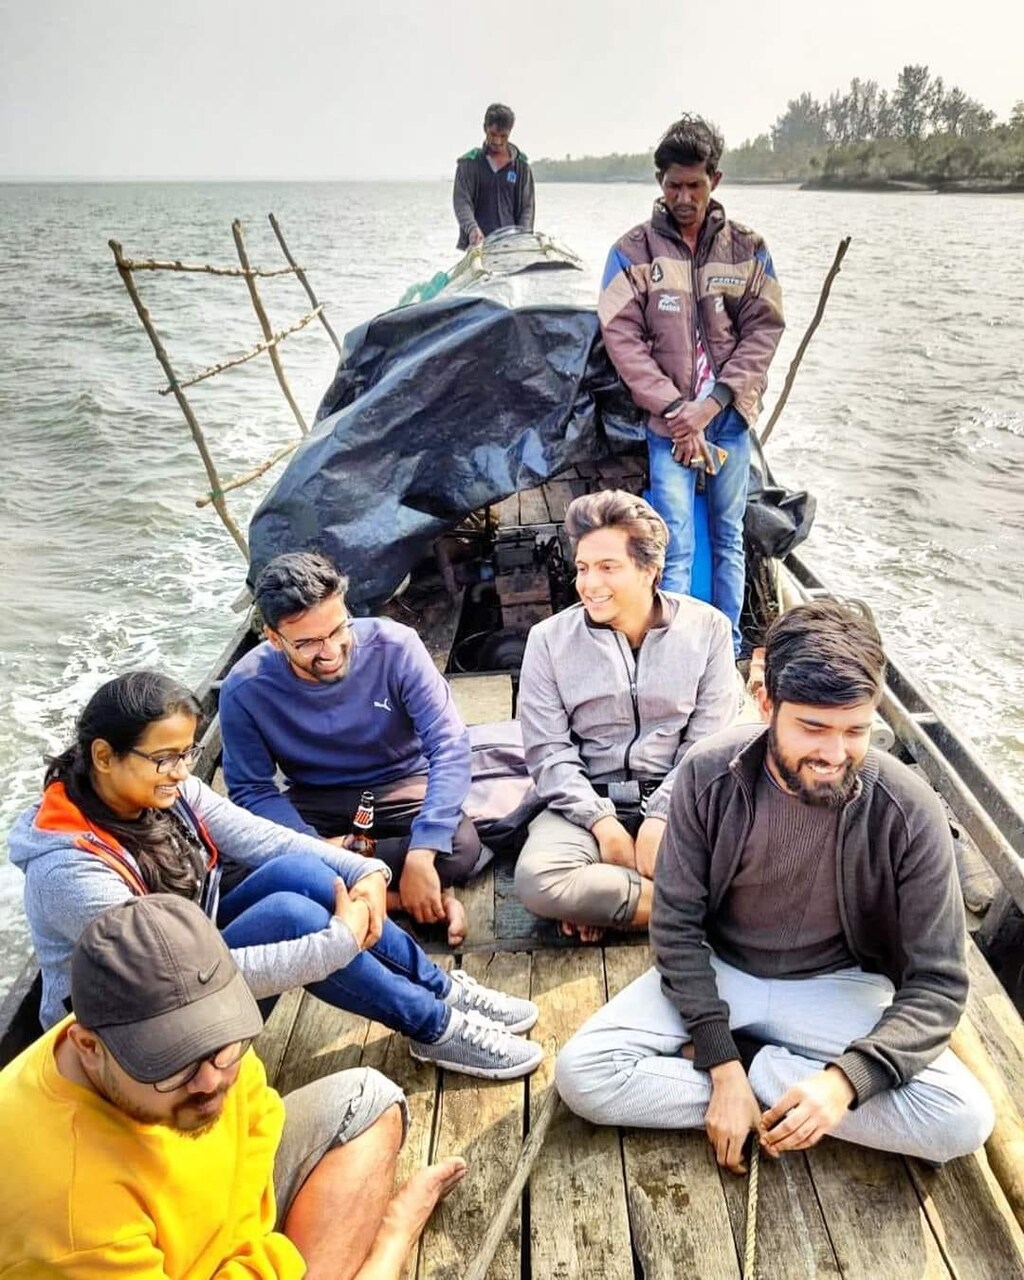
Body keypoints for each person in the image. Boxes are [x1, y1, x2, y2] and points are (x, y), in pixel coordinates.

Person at [555, 600, 994, 1171]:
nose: (834, 754)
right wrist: (721, 1066)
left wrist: (842, 1083)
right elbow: (676, 930)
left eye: (855, 731)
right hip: (722, 972)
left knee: (962, 1119)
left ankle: (770, 1077)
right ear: (766, 703)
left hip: (837, 986)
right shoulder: (707, 774)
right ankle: (755, 1089)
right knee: (583, 1074)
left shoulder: (908, 809)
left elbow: (938, 984)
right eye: (813, 728)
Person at [10, 670, 543, 1081]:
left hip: (189, 951)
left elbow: (267, 840)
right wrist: (338, 942)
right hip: (137, 1034)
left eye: (187, 754)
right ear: (104, 756)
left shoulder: (165, 792)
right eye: (165, 759)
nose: (182, 771)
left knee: (301, 871)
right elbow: (172, 980)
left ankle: (440, 989)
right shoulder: (71, 872)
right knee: (291, 918)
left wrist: (366, 870)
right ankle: (433, 1025)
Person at [0, 893, 469, 1278]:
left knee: (368, 1100)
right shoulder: (70, 1214)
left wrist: (251, 1252)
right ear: (88, 1047)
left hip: (228, 1236)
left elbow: (260, 1118)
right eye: (171, 1064)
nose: (210, 1081)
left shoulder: (185, 1040)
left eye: (219, 1046)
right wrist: (387, 1241)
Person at [221, 552, 482, 948]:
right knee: (232, 869)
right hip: (316, 801)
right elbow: (252, 789)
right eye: (308, 642)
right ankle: (403, 900)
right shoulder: (244, 688)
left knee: (458, 846)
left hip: (400, 786)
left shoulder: (396, 647)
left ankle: (361, 887)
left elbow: (448, 744)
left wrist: (422, 851)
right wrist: (315, 845)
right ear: (274, 638)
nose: (330, 651)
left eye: (338, 629)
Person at [598, 113, 785, 657]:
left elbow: (763, 331)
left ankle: (726, 648)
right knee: (673, 544)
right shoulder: (632, 253)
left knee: (729, 539)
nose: (683, 197)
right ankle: (677, 655)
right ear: (660, 182)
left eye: (694, 186)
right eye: (673, 185)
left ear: (715, 180)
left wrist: (714, 403)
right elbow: (622, 340)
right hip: (670, 427)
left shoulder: (747, 249)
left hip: (728, 423)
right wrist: (677, 410)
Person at [514, 491, 736, 941]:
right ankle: (693, 911)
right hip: (582, 804)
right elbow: (548, 752)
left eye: (607, 567)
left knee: (755, 859)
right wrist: (604, 826)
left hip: (684, 801)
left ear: (649, 570)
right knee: (540, 881)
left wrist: (661, 815)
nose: (589, 583)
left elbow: (707, 745)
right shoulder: (548, 640)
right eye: (582, 568)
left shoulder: (708, 629)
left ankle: (615, 903)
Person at [453, 102, 535, 250]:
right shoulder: (469, 163)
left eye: (503, 136)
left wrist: (522, 238)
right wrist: (472, 228)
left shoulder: (521, 166)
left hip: (511, 245)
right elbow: (461, 202)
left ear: (510, 132)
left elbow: (527, 208)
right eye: (493, 134)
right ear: (485, 128)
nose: (497, 141)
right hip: (479, 245)